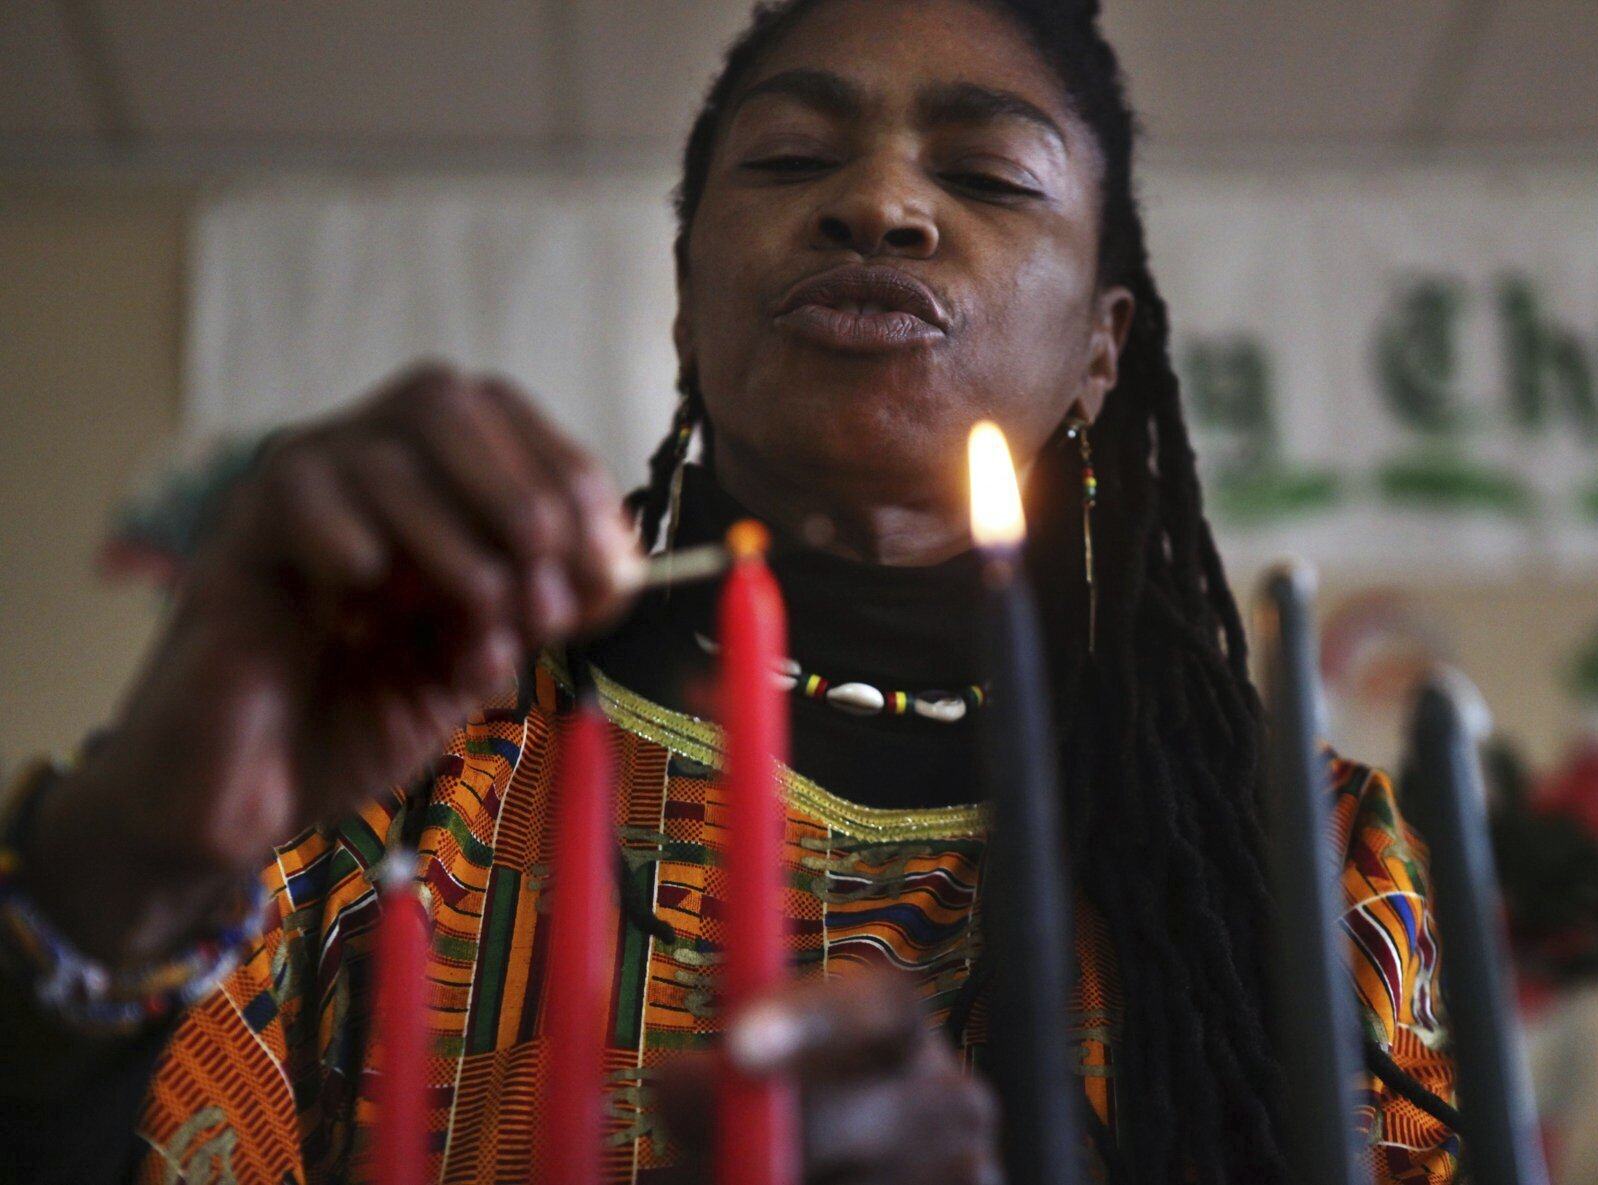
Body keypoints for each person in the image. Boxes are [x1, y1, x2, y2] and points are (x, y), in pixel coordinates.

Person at [0, 1, 1460, 1181]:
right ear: (686, 301)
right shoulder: (391, 770)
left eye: (987, 174)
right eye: (787, 161)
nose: (878, 201)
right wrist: (123, 861)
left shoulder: (1302, 865)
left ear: (1099, 349)